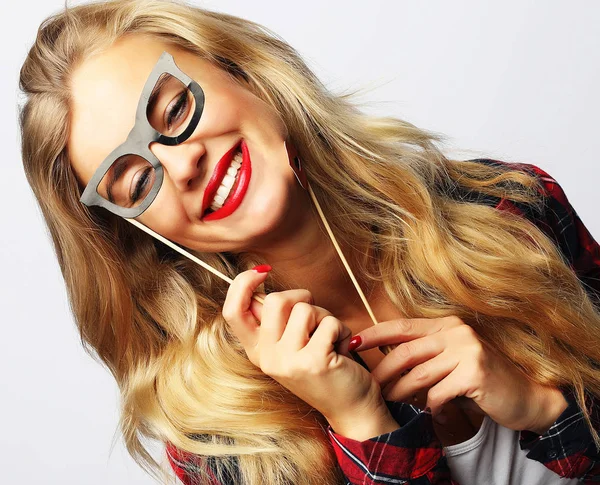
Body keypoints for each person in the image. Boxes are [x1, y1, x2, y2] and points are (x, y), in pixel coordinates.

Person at [18, 0, 600, 484]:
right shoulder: (218, 433)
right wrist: (360, 421)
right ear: (140, 233)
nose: (184, 161)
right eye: (138, 179)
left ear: (243, 72)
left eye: (174, 109)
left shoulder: (509, 207)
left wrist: (545, 410)